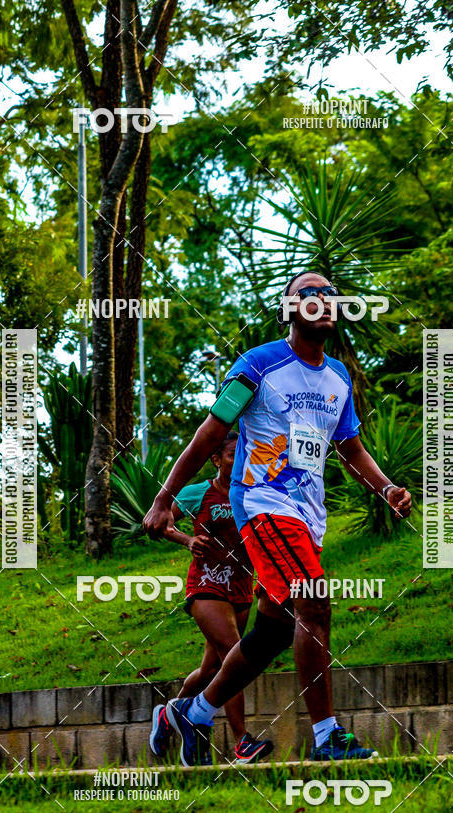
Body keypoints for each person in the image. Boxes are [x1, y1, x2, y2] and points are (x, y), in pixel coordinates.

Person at [144, 271, 412, 765]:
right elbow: (210, 433)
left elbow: (349, 448)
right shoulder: (257, 365)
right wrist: (164, 498)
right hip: (263, 504)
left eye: (330, 294)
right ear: (288, 308)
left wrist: (387, 487)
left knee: (271, 630)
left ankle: (193, 712)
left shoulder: (338, 379)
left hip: (307, 515)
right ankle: (328, 736)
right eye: (308, 293)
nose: (323, 300)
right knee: (315, 602)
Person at [149, 431, 273, 766]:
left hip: (242, 588)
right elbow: (163, 522)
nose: (240, 461)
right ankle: (241, 742)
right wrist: (187, 540)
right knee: (236, 654)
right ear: (217, 460)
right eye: (233, 454)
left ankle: (170, 715)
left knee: (213, 668)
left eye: (245, 454)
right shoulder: (197, 493)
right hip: (206, 585)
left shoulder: (254, 493)